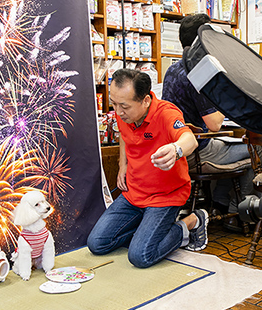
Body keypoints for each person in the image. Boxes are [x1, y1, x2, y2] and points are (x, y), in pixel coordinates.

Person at [87, 69, 207, 268]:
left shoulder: (166, 113)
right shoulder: (124, 113)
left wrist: (176, 149)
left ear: (145, 100)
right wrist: (122, 165)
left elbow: (190, 140)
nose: (118, 112)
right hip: (134, 193)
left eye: (124, 106)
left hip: (165, 196)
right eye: (114, 104)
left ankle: (191, 222)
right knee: (97, 243)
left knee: (141, 256)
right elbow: (125, 137)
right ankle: (146, 230)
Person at [162, 14, 254, 219]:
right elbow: (214, 124)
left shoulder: (172, 69)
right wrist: (225, 100)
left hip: (177, 147)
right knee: (258, 149)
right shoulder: (199, 71)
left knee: (231, 145)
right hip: (198, 149)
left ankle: (219, 204)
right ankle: (237, 212)